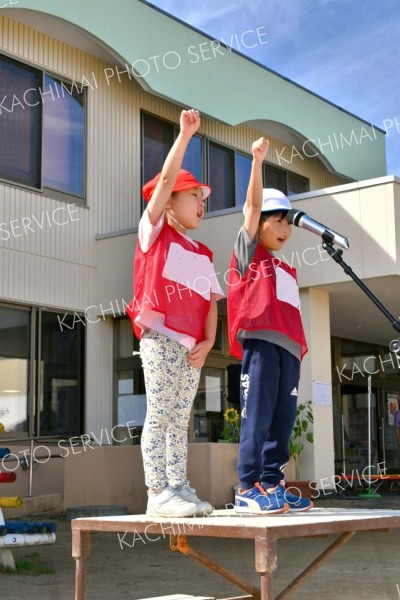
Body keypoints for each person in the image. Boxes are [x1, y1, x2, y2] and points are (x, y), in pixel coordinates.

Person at [127, 109, 224, 518]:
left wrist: (208, 342)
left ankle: (179, 486)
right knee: (161, 413)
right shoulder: (153, 231)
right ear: (168, 204)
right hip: (159, 338)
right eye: (194, 198)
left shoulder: (203, 253)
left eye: (204, 201)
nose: (201, 205)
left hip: (190, 348)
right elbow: (165, 181)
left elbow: (210, 305)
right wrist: (184, 137)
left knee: (181, 418)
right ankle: (157, 490)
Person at [227, 136, 312, 514]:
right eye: (277, 221)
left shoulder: (287, 268)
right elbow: (252, 206)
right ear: (259, 225)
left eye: (287, 224)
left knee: (283, 420)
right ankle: (247, 486)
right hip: (261, 344)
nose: (285, 230)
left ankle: (273, 484)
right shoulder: (250, 253)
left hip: (289, 350)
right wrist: (257, 162)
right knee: (257, 416)